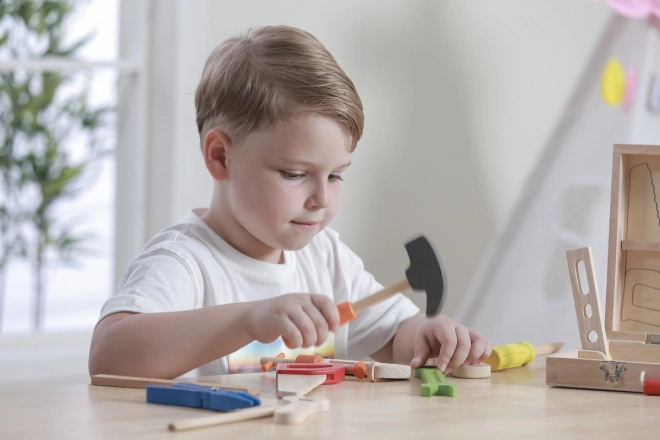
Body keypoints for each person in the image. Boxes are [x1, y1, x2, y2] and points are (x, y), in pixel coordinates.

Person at [88, 25, 491, 379]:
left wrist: (428, 336)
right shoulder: (185, 264)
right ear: (220, 157)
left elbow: (395, 339)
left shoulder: (327, 258)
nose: (322, 198)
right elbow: (109, 356)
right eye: (295, 174)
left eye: (335, 175)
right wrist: (250, 319)